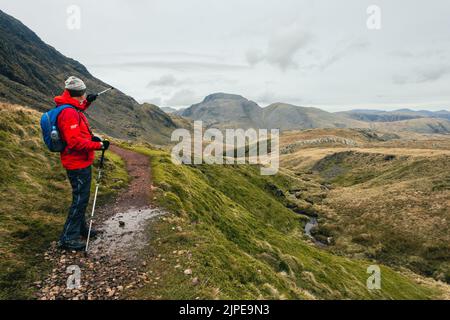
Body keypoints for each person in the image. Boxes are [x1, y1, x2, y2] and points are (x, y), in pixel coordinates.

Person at [56, 76, 110, 251]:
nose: (84, 95)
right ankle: (67, 238)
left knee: (81, 197)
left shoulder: (70, 106)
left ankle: (81, 228)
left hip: (80, 161)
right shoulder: (69, 112)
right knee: (80, 199)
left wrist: (88, 102)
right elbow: (75, 142)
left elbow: (77, 111)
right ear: (78, 94)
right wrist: (99, 145)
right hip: (76, 163)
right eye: (83, 93)